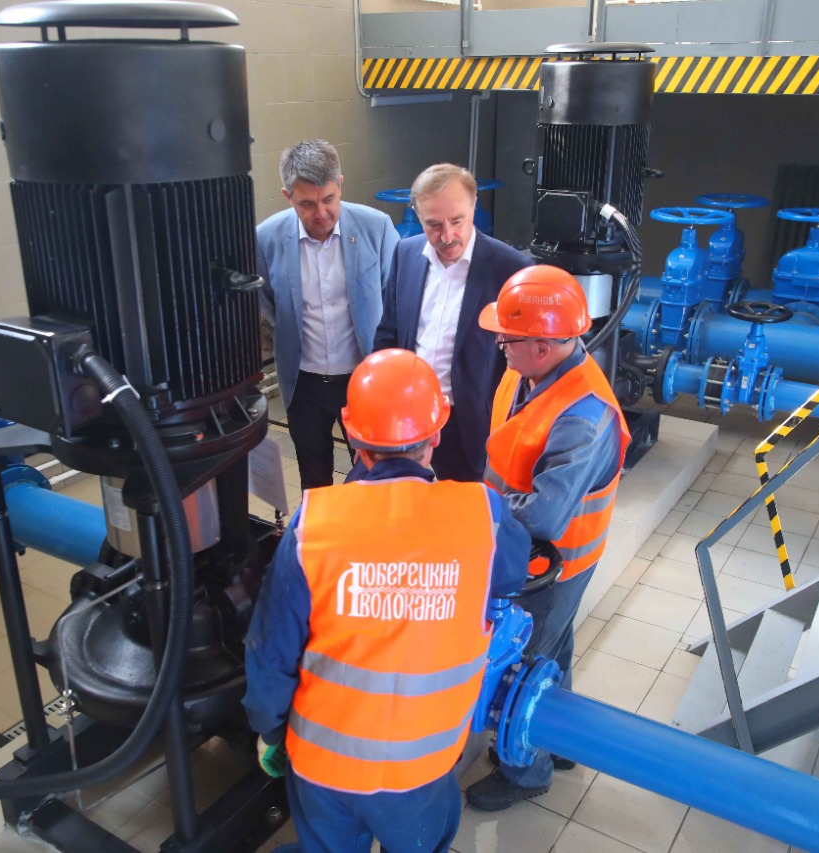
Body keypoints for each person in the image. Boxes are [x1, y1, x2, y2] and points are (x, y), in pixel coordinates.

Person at [243, 349, 530, 852]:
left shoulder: (314, 526)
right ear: (437, 433)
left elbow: (271, 651)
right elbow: (509, 575)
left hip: (323, 767)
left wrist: (268, 729)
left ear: (352, 435)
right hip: (421, 771)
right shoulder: (482, 515)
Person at [464, 265, 631, 812]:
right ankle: (560, 739)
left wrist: (473, 507)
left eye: (506, 339)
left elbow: (544, 516)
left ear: (541, 345)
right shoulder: (530, 372)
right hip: (533, 558)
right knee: (554, 646)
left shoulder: (583, 416)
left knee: (523, 660)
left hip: (554, 562)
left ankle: (524, 771)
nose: (499, 345)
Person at [374, 163, 531, 483]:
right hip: (410, 416)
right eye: (433, 224)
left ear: (474, 207)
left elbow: (525, 363)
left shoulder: (511, 269)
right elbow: (388, 334)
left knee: (464, 506)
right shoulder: (404, 253)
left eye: (457, 221)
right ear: (418, 215)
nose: (447, 236)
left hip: (471, 425)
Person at [258, 139, 400, 489]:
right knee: (314, 481)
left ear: (341, 185)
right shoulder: (266, 238)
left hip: (363, 381)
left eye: (328, 199)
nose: (320, 213)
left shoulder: (376, 227)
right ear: (288, 196)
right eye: (306, 204)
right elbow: (268, 304)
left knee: (372, 479)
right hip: (303, 385)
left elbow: (396, 298)